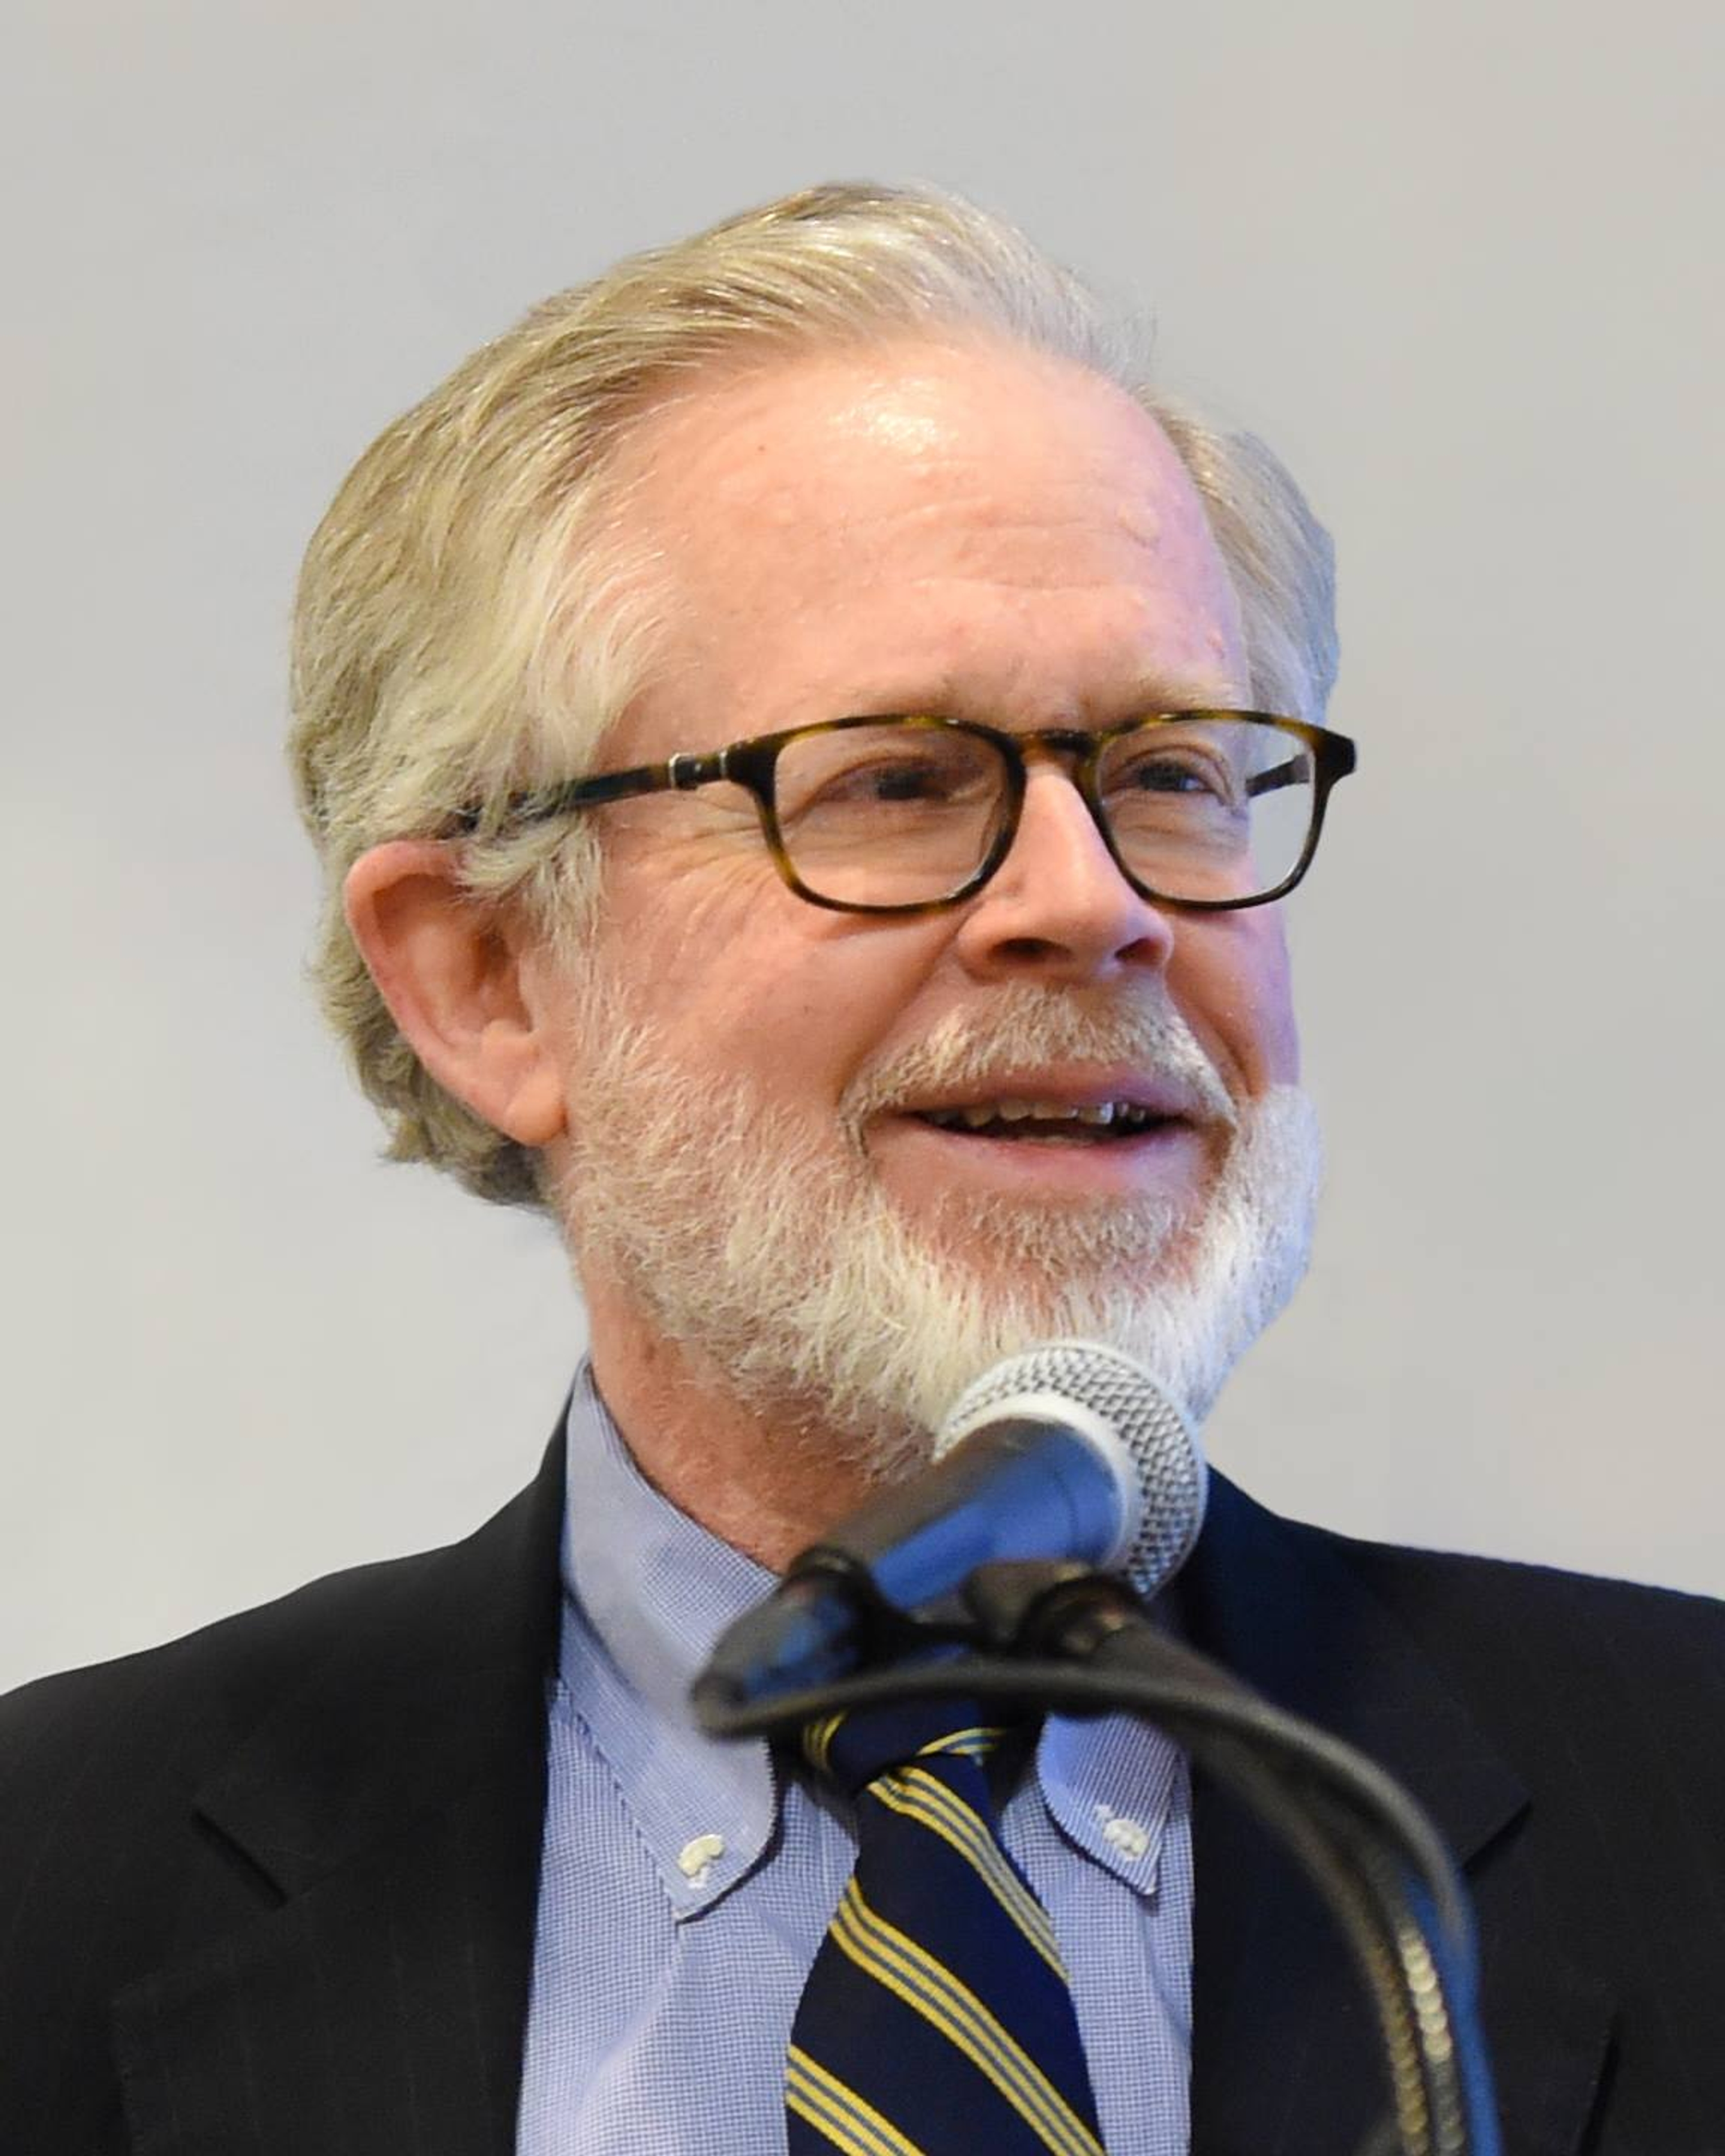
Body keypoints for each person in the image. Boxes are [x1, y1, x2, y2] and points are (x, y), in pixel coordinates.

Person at [3, 182, 1721, 2156]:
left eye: (1171, 772)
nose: (1092, 902)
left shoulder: (1688, 1805)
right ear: (487, 977)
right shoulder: (52, 1894)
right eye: (898, 781)